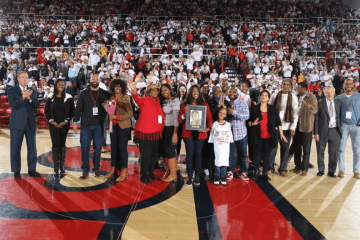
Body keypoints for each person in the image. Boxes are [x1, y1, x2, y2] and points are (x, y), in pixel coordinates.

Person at [73, 74, 110, 179]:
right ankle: (85, 170)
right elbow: (79, 108)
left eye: (96, 79)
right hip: (86, 125)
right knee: (84, 148)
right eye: (93, 79)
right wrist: (75, 121)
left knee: (98, 148)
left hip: (99, 125)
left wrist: (111, 109)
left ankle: (96, 169)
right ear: (90, 80)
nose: (94, 80)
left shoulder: (104, 93)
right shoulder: (84, 93)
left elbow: (111, 106)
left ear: (99, 80)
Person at [128, 81, 165, 184]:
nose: (156, 92)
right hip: (145, 133)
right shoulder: (144, 100)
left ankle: (150, 173)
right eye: (153, 90)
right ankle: (143, 176)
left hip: (156, 133)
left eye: (157, 90)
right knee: (146, 156)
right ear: (148, 91)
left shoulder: (158, 101)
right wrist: (134, 91)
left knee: (153, 155)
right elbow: (136, 99)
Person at [248, 90, 287, 181]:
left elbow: (278, 122)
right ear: (260, 97)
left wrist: (281, 134)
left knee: (267, 155)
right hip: (257, 136)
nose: (263, 97)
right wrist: (252, 123)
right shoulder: (254, 108)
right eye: (262, 95)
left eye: (266, 95)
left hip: (269, 137)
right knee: (256, 155)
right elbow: (249, 121)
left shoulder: (273, 109)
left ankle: (265, 173)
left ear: (268, 98)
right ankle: (256, 172)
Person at [8, 71, 41, 178]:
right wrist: (22, 97)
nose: (25, 79)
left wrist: (30, 98)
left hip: (30, 123)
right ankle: (16, 171)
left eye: (27, 77)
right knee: (15, 148)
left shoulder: (32, 91)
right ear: (18, 79)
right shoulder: (11, 90)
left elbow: (36, 104)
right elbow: (13, 104)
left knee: (32, 148)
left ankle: (32, 169)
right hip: (17, 123)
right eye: (23, 77)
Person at [178, 85, 212, 186]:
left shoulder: (204, 104)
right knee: (189, 154)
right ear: (190, 92)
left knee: (198, 154)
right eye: (193, 91)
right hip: (188, 134)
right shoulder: (185, 104)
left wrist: (208, 127)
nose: (195, 93)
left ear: (200, 92)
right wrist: (184, 113)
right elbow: (180, 120)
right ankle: (190, 176)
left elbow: (209, 119)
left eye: (197, 91)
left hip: (200, 133)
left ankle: (197, 176)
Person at [44, 79, 75, 177]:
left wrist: (65, 121)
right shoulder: (50, 97)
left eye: (62, 84)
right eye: (59, 84)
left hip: (64, 124)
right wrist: (51, 121)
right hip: (53, 124)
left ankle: (62, 167)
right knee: (55, 144)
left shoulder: (69, 97)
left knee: (62, 144)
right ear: (55, 85)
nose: (61, 86)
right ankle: (55, 168)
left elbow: (72, 111)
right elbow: (46, 111)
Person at [104, 79, 133, 182]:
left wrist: (116, 117)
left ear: (123, 87)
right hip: (113, 126)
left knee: (122, 148)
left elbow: (130, 114)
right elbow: (110, 111)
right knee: (113, 147)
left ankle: (124, 171)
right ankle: (113, 169)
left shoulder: (126, 98)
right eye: (116, 86)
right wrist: (107, 109)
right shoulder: (111, 98)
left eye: (119, 86)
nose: (117, 88)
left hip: (123, 126)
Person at [269, 79, 299, 176]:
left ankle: (283, 169)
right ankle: (270, 167)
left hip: (286, 127)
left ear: (291, 85)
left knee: (285, 148)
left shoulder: (294, 97)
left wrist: (293, 127)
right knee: (273, 147)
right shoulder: (275, 95)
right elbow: (269, 109)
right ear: (281, 85)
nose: (285, 86)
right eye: (284, 84)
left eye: (288, 84)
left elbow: (295, 114)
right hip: (275, 127)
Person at [290, 82, 318, 176]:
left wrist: (307, 105)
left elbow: (315, 110)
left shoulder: (312, 97)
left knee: (306, 150)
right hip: (297, 126)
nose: (298, 89)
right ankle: (297, 167)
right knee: (297, 149)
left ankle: (305, 169)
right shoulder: (296, 96)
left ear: (305, 89)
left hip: (307, 127)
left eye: (300, 88)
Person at [314, 86, 342, 177]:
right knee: (320, 151)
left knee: (334, 153)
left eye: (331, 92)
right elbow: (316, 119)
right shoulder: (320, 104)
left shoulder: (338, 103)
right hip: (322, 131)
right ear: (324, 93)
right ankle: (321, 170)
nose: (330, 94)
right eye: (328, 92)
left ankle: (331, 171)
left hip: (335, 131)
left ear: (334, 93)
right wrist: (316, 132)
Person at [335, 78, 360, 179]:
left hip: (356, 126)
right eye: (347, 84)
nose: (349, 85)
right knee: (341, 149)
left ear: (354, 85)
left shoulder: (358, 96)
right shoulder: (339, 98)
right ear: (344, 85)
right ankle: (341, 170)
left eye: (351, 84)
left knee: (357, 150)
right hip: (343, 126)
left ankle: (356, 171)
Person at [227, 86, 250, 181]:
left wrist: (234, 112)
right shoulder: (226, 103)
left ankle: (243, 171)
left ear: (237, 93)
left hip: (241, 134)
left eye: (234, 92)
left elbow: (247, 116)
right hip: (230, 134)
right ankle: (230, 171)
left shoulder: (242, 103)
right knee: (231, 154)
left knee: (242, 154)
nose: (232, 93)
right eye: (230, 91)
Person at [159, 83, 180, 182]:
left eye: (165, 90)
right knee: (163, 150)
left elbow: (176, 118)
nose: (163, 92)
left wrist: (175, 133)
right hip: (163, 128)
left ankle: (173, 174)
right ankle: (167, 171)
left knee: (169, 150)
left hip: (172, 128)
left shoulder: (175, 100)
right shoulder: (163, 101)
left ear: (170, 90)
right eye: (162, 91)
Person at [209, 108, 234, 185]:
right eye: (220, 113)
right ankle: (217, 176)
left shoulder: (227, 124)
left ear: (226, 115)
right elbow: (212, 135)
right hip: (218, 146)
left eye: (224, 113)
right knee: (217, 161)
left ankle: (223, 177)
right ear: (218, 113)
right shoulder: (214, 124)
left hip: (225, 147)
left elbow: (229, 136)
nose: (222, 115)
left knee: (224, 162)